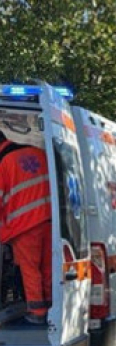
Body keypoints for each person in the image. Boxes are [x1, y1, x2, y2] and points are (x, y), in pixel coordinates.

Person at [0, 124, 51, 325]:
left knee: (30, 269)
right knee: (48, 267)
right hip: (50, 220)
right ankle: (52, 306)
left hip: (25, 225)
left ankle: (37, 311)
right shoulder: (38, 153)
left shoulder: (3, 162)